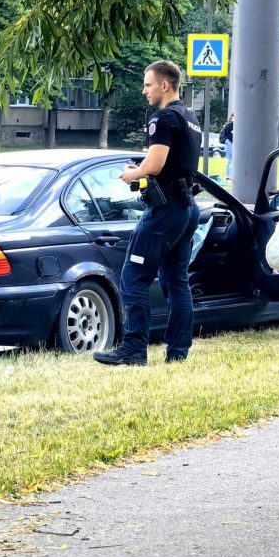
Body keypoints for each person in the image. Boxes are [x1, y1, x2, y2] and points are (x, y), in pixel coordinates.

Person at [94, 60, 201, 366]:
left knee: (133, 277)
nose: (144, 91)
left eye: (148, 84)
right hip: (186, 207)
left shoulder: (164, 117)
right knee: (176, 280)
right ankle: (178, 353)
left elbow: (154, 165)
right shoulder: (189, 117)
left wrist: (133, 173)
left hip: (165, 209)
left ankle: (133, 349)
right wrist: (143, 169)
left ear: (165, 85)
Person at [219, 112, 235, 181]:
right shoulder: (232, 124)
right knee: (232, 160)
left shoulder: (228, 124)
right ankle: (230, 176)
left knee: (229, 160)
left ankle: (228, 176)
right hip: (229, 142)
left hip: (226, 142)